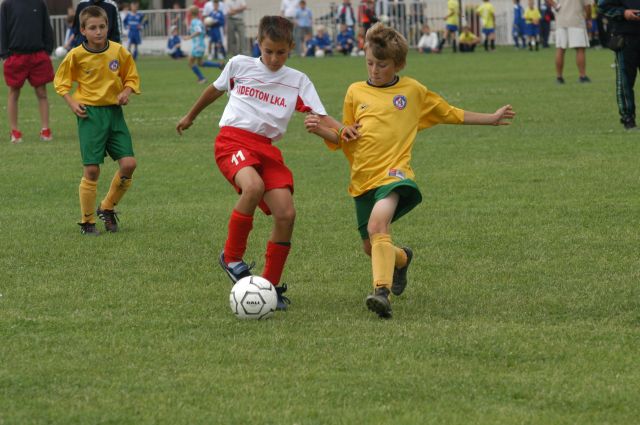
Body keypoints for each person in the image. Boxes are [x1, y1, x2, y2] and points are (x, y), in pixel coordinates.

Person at [304, 23, 515, 319]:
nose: (374, 70)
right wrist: (322, 131)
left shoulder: (413, 91)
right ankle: (402, 259)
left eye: (382, 65)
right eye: (370, 63)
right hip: (363, 179)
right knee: (371, 246)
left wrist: (490, 118)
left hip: (395, 175)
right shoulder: (355, 92)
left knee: (378, 227)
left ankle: (381, 293)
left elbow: (449, 113)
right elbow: (348, 137)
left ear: (399, 64)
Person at [176, 16, 349, 311]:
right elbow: (214, 90)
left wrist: (345, 131)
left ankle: (269, 287)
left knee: (286, 213)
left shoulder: (297, 80)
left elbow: (321, 115)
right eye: (268, 51)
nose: (274, 58)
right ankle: (232, 257)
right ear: (258, 44)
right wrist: (190, 116)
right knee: (253, 187)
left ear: (291, 47)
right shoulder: (239, 65)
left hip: (266, 150)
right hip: (232, 141)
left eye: (281, 52)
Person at [53, 5, 140, 235]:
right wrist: (72, 103)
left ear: (107, 26)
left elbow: (131, 77)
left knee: (129, 164)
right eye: (92, 28)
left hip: (114, 114)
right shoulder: (76, 55)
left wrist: (126, 92)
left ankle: (107, 207)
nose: (98, 31)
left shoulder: (118, 51)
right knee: (92, 170)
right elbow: (61, 82)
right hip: (90, 115)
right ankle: (87, 221)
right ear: (83, 30)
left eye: (102, 26)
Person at [0, 0, 55, 144]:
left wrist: (48, 50)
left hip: (38, 55)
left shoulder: (40, 3)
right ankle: (15, 132)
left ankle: (45, 130)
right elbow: (2, 30)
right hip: (15, 56)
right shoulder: (7, 4)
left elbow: (46, 27)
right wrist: (4, 55)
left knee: (42, 93)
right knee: (14, 93)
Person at [599, 0, 640, 130]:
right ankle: (628, 118)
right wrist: (623, 13)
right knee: (625, 81)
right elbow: (602, 6)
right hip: (625, 37)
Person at [548, 0, 592, 83]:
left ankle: (559, 77)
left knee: (560, 49)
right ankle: (582, 76)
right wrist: (589, 19)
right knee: (580, 49)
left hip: (561, 21)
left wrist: (554, 5)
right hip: (577, 20)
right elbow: (588, 6)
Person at [184, 5, 224, 84]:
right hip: (200, 44)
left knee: (191, 63)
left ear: (191, 13)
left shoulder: (194, 22)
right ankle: (218, 65)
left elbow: (198, 31)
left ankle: (201, 78)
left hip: (197, 45)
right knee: (200, 63)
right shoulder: (199, 21)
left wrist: (189, 37)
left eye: (189, 11)